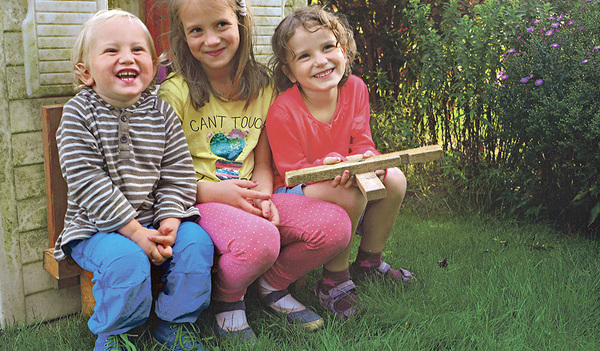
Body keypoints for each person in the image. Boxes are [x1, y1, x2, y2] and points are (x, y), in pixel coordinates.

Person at [158, 0, 353, 341]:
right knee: (261, 240)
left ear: (241, 23)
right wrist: (217, 192)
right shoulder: (175, 93)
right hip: (200, 199)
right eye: (196, 30)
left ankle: (272, 284)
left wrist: (264, 197)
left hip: (253, 192)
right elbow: (164, 172)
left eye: (221, 24)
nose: (211, 39)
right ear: (183, 36)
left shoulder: (262, 85)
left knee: (336, 226)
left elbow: (263, 161)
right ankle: (228, 298)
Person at [55, 9, 213, 351]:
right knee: (127, 262)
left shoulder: (162, 112)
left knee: (196, 245)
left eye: (138, 50)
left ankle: (175, 322)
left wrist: (170, 220)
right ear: (85, 71)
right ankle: (118, 333)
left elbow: (178, 174)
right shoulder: (78, 115)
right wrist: (136, 233)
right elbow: (88, 183)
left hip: (154, 218)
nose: (127, 57)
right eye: (112, 51)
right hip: (96, 228)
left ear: (153, 65)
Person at [267, 6, 416, 320]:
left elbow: (363, 142)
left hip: (343, 175)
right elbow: (290, 172)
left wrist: (369, 160)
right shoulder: (283, 109)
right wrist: (329, 165)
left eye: (327, 47)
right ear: (290, 71)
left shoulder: (355, 89)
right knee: (350, 192)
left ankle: (369, 263)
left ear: (344, 52)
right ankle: (334, 280)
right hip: (294, 193)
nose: (320, 61)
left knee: (395, 179)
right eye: (304, 56)